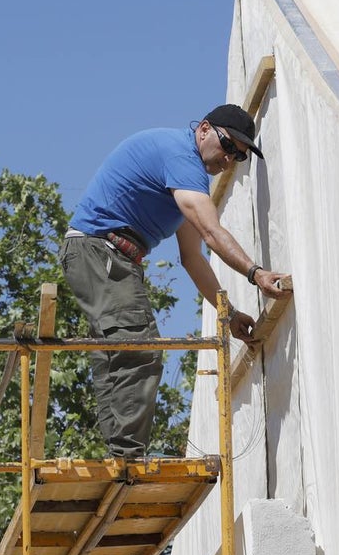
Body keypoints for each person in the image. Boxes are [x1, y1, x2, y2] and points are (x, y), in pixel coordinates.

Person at [59, 104, 293, 459]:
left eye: (239, 157)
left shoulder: (181, 180)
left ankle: (121, 456)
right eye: (228, 146)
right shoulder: (181, 157)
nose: (229, 160)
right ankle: (128, 459)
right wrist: (256, 273)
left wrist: (227, 315)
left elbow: (193, 257)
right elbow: (213, 233)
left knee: (119, 354)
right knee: (140, 347)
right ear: (203, 129)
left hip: (103, 256)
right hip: (100, 252)